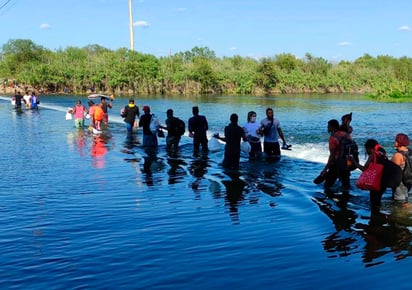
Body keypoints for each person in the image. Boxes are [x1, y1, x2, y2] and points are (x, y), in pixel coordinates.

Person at [350, 139, 389, 213]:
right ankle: (379, 214)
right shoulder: (383, 153)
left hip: (376, 183)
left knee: (374, 202)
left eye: (366, 149)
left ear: (370, 148)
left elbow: (364, 169)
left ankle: (375, 218)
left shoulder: (372, 155)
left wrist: (353, 161)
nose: (366, 151)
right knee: (378, 200)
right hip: (384, 181)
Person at [318, 119, 351, 193]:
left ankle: (329, 201)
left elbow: (332, 156)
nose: (327, 128)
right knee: (346, 187)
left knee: (327, 186)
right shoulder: (347, 135)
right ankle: (344, 201)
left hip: (336, 165)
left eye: (328, 127)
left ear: (332, 127)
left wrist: (325, 169)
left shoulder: (333, 138)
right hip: (347, 164)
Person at [391, 133, 410, 202]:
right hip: (409, 180)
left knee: (399, 203)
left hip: (400, 183)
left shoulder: (398, 155)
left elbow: (392, 171)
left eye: (395, 141)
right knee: (405, 199)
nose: (394, 142)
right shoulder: (410, 152)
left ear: (399, 142)